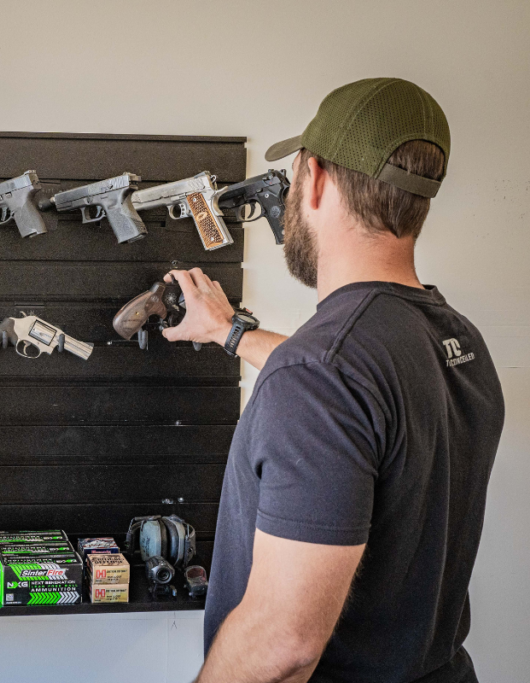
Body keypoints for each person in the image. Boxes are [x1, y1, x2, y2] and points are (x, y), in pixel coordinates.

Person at [165, 78, 505, 683]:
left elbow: (283, 643)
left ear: (314, 178)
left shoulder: (325, 373)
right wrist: (230, 332)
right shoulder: (456, 341)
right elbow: (351, 395)